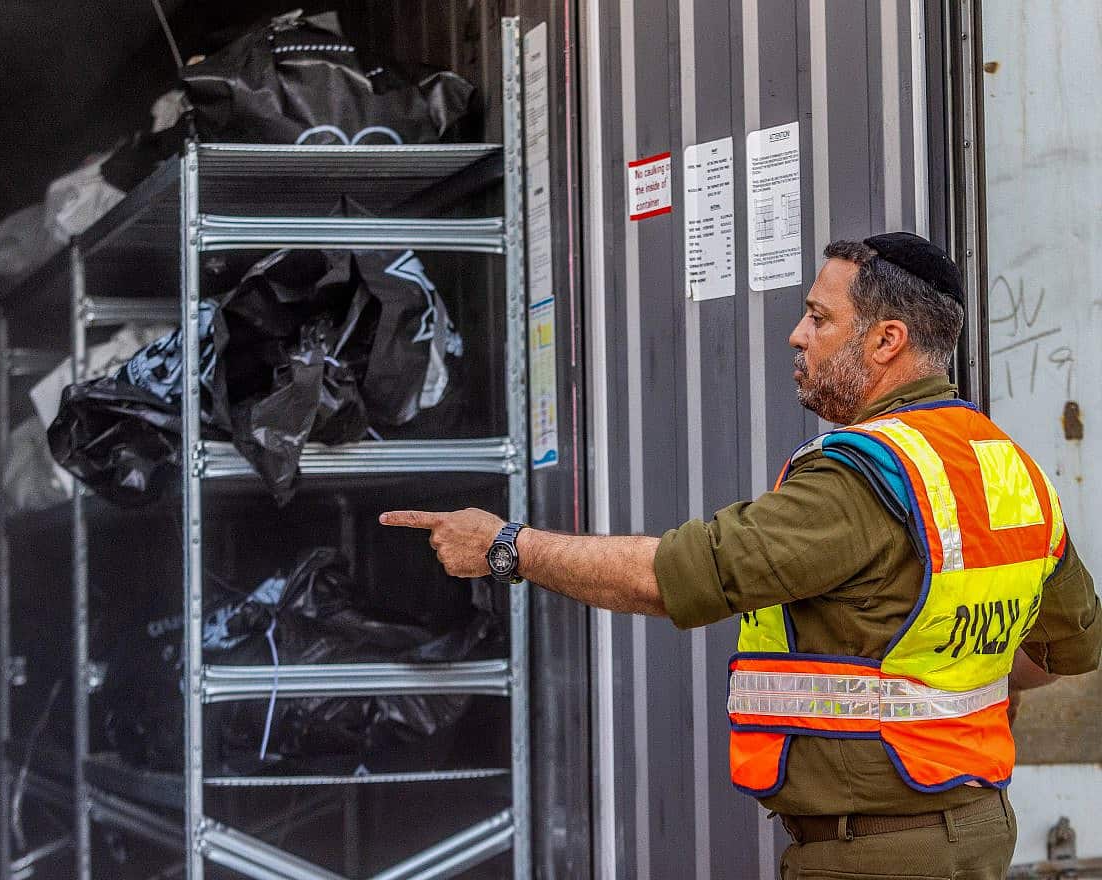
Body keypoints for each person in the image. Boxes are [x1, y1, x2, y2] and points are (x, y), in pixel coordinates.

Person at [381, 233, 1100, 879]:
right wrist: (953, 687)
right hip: (975, 832)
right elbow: (1075, 644)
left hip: (877, 853)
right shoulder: (1009, 468)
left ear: (887, 341)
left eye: (819, 318)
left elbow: (671, 579)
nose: (797, 335)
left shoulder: (865, 476)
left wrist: (506, 547)